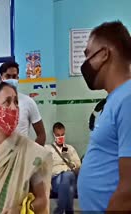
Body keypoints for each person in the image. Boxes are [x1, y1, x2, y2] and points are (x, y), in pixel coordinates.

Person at [0, 82, 52, 214]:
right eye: (8, 102)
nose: (14, 107)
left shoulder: (28, 152)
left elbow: (42, 200)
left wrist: (21, 210)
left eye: (16, 102)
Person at [78, 21, 131, 211]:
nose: (84, 64)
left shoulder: (128, 100)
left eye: (87, 54)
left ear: (104, 54)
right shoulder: (117, 98)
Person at [0, 61, 46, 145]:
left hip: (22, 155)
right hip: (0, 154)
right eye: (8, 76)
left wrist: (34, 155)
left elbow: (41, 134)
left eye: (14, 77)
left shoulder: (28, 102)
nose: (11, 80)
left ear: (18, 79)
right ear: (1, 78)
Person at [45, 122, 81, 214]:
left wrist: (69, 159)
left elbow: (78, 165)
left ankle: (59, 210)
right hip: (55, 178)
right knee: (69, 189)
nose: (60, 137)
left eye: (62, 135)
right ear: (53, 135)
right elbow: (44, 167)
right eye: (58, 135)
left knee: (67, 175)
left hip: (70, 176)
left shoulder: (70, 149)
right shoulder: (48, 149)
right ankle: (69, 211)